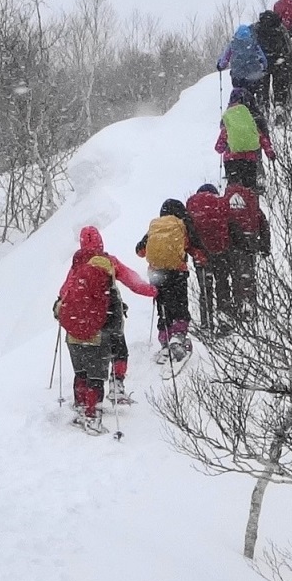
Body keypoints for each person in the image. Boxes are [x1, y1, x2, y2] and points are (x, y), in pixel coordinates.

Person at [52, 225, 156, 431]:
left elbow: (64, 292)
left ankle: (81, 405)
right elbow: (133, 281)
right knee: (105, 363)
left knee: (82, 369)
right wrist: (153, 291)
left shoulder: (77, 266)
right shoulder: (109, 262)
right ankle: (102, 403)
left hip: (76, 327)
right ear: (101, 242)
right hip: (104, 323)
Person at [135, 197, 199, 355]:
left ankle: (164, 336)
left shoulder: (155, 227)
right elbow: (192, 247)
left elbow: (140, 251)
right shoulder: (181, 225)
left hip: (156, 274)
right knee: (179, 304)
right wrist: (202, 258)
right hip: (176, 272)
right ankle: (178, 336)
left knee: (163, 305)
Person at [185, 180, 233, 333]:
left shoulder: (191, 204)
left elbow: (188, 229)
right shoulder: (220, 202)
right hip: (220, 250)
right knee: (222, 285)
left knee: (205, 289)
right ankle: (224, 321)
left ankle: (206, 324)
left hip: (200, 252)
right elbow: (230, 223)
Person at [222, 178, 270, 321]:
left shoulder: (225, 200)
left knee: (234, 275)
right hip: (250, 238)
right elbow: (262, 221)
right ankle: (249, 306)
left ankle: (237, 306)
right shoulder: (250, 198)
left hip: (231, 241)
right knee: (247, 274)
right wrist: (265, 245)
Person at [216, 18, 272, 117]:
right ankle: (260, 112)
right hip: (255, 76)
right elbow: (262, 59)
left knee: (240, 96)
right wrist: (264, 67)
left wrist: (220, 66)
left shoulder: (233, 44)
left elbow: (224, 60)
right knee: (255, 94)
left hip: (238, 77)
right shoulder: (253, 43)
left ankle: (242, 114)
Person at [216, 95, 271, 189]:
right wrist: (270, 152)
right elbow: (262, 138)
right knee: (249, 189)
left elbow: (219, 148)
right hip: (250, 160)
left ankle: (234, 201)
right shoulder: (249, 123)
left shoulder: (229, 127)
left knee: (234, 189)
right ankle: (250, 199)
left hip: (232, 161)